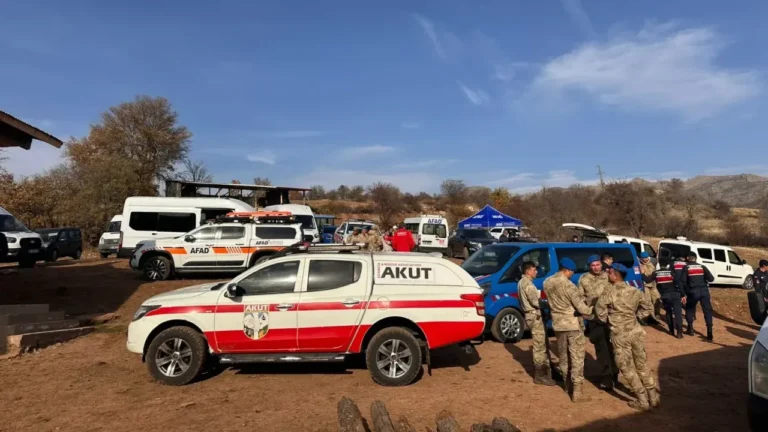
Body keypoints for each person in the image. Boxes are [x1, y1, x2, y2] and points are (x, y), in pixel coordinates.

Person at [595, 263, 659, 411]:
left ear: (615, 275)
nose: (608, 275)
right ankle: (653, 397)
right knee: (642, 364)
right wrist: (636, 317)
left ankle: (642, 400)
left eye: (610, 273)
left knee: (626, 366)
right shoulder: (635, 291)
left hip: (619, 334)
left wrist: (609, 321)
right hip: (635, 331)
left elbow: (600, 312)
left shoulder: (608, 292)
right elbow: (648, 308)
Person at [543, 258, 594, 403]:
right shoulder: (570, 286)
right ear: (568, 270)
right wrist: (593, 308)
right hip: (572, 325)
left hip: (558, 324)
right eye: (572, 272)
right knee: (577, 358)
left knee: (563, 357)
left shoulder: (547, 282)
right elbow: (582, 309)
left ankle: (567, 386)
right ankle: (577, 392)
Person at [578, 255, 617, 390]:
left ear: (601, 264)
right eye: (593, 265)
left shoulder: (608, 276)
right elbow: (580, 297)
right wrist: (585, 311)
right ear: (589, 266)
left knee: (614, 346)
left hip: (609, 317)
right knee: (601, 349)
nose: (595, 267)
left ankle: (615, 373)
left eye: (597, 265)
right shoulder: (584, 278)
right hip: (594, 318)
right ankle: (607, 377)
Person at [518, 261, 556, 386]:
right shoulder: (528, 285)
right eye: (534, 270)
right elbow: (536, 302)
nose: (536, 272)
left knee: (542, 343)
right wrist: (550, 304)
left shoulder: (521, 283)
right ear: (528, 271)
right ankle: (540, 375)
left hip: (531, 315)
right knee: (540, 346)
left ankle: (546, 371)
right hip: (534, 315)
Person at [644, 257, 684, 338]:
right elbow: (679, 283)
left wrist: (642, 273)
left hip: (665, 296)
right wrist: (683, 294)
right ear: (667, 265)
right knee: (678, 313)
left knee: (668, 312)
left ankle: (671, 330)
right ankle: (679, 333)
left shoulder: (656, 273)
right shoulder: (672, 272)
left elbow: (647, 280)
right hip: (675, 294)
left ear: (659, 264)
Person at [681, 251, 715, 341]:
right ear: (695, 258)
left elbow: (683, 282)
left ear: (688, 258)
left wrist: (686, 292)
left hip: (693, 292)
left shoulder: (686, 268)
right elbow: (711, 279)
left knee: (690, 309)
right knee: (707, 311)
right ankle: (710, 332)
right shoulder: (702, 267)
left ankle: (690, 328)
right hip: (704, 292)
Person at [639, 251, 662, 323]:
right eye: (644, 258)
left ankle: (656, 314)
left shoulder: (651, 264)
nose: (645, 259)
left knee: (657, 300)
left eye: (646, 257)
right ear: (641, 258)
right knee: (648, 302)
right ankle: (647, 317)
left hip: (653, 285)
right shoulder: (639, 265)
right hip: (645, 286)